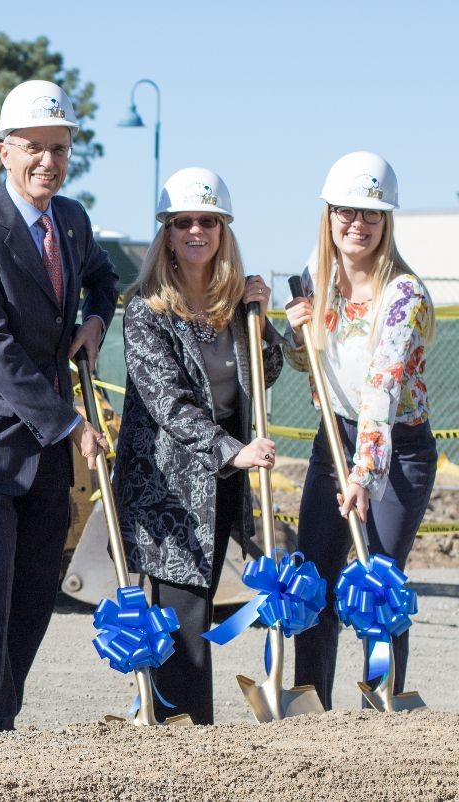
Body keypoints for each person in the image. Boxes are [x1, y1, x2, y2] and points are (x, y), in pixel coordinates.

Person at [0, 80, 118, 733]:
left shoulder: (71, 220)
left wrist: (95, 320)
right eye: (35, 148)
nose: (49, 161)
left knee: (41, 579)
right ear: (6, 153)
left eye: (60, 148)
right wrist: (69, 422)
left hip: (44, 441)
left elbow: (103, 277)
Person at [113, 168, 281, 724]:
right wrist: (232, 450)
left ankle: (180, 729)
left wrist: (262, 323)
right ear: (166, 233)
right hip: (170, 488)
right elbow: (169, 405)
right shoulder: (145, 311)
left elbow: (270, 371)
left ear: (223, 231)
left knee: (205, 604)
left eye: (207, 221)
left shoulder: (237, 306)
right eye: (182, 221)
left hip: (225, 480)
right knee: (182, 617)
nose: (195, 231)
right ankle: (183, 738)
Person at [285, 152, 436, 708]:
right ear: (328, 215)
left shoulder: (405, 298)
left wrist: (364, 475)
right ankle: (310, 705)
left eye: (372, 214)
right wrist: (296, 335)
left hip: (398, 452)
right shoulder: (314, 276)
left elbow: (382, 391)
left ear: (386, 221)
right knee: (314, 580)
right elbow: (307, 366)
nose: (358, 224)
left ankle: (382, 704)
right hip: (336, 436)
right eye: (346, 211)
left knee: (378, 584)